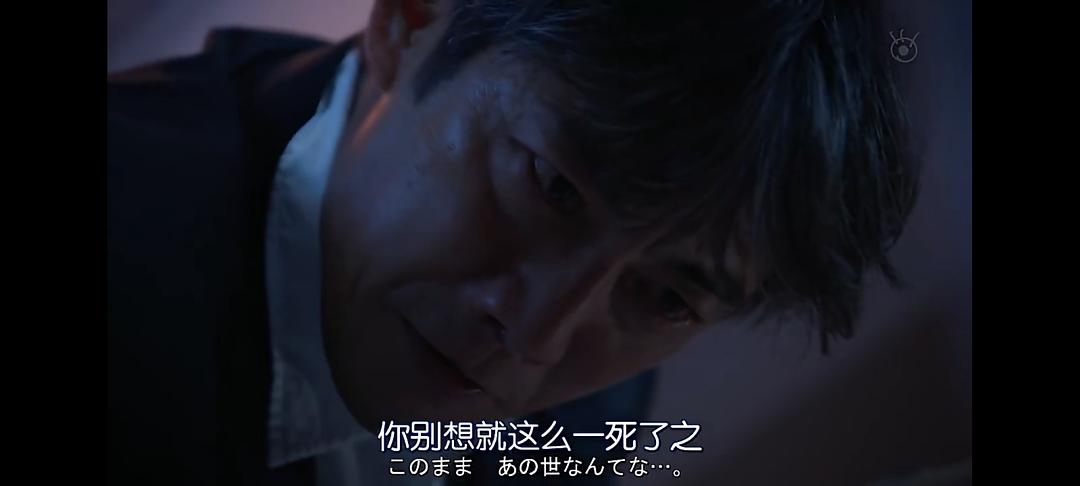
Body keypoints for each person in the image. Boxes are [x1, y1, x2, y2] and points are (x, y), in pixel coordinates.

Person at [107, 0, 919, 484]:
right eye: (552, 187)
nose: (538, 338)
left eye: (666, 297)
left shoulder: (597, 407)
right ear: (411, 22)